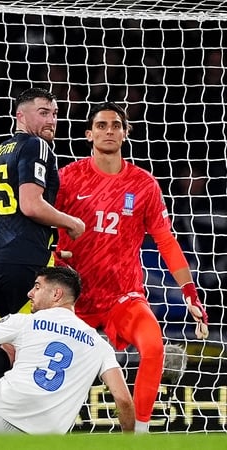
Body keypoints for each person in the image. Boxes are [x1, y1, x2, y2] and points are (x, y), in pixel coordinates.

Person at [54, 101, 209, 433]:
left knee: (153, 345)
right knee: (52, 363)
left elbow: (166, 241)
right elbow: (38, 221)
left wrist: (190, 293)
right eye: (101, 125)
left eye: (116, 125)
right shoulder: (67, 178)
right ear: (89, 134)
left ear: (125, 133)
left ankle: (139, 435)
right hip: (71, 297)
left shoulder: (143, 184)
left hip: (122, 295)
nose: (109, 131)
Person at [0, 87, 85, 386]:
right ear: (20, 116)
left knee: (7, 348)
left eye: (55, 114)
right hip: (26, 266)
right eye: (43, 113)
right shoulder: (36, 146)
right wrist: (72, 223)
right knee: (33, 345)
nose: (51, 120)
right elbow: (31, 205)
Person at [0, 267, 135, 434]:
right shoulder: (99, 344)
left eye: (37, 287)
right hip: (44, 438)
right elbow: (124, 400)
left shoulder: (26, 322)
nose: (30, 293)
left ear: (56, 294)